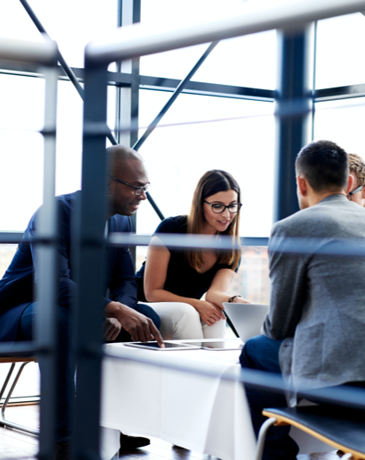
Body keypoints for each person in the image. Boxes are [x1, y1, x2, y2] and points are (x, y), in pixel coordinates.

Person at [0, 145, 163, 459]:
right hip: (21, 311)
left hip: (79, 308)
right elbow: (52, 283)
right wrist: (111, 308)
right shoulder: (56, 212)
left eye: (145, 188)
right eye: (136, 187)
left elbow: (124, 280)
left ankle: (121, 422)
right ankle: (63, 434)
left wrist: (121, 310)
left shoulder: (121, 222)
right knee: (59, 317)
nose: (143, 195)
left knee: (147, 315)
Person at [239, 140, 365, 460]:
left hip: (343, 380)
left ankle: (277, 454)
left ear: (301, 183)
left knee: (255, 349)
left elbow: (278, 325)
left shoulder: (294, 228)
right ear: (348, 182)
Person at [136, 169, 250, 340]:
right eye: (217, 206)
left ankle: (211, 367)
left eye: (232, 206)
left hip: (184, 307)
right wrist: (198, 304)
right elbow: (152, 292)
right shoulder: (172, 229)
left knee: (216, 317)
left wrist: (235, 301)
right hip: (143, 304)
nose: (227, 215)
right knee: (186, 313)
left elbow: (214, 294)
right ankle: (193, 366)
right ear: (200, 204)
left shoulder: (231, 248)